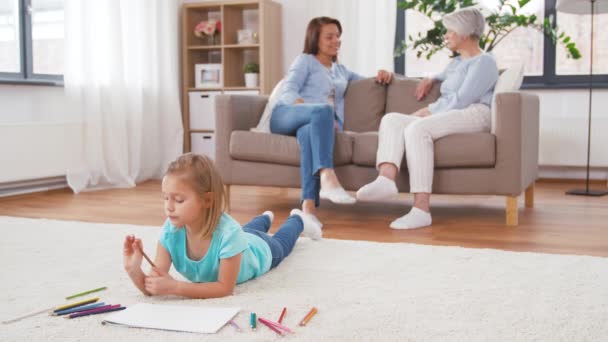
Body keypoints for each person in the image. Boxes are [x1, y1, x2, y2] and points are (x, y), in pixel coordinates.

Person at [356, 7, 499, 230]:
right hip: (452, 112)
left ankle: (421, 210)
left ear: (463, 33)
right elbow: (443, 77)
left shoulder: (485, 62)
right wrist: (430, 78)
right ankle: (386, 179)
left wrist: (429, 111)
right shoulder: (457, 63)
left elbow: (462, 99)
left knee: (416, 129)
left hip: (475, 113)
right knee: (392, 119)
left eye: (450, 31)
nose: (446, 35)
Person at [123, 153, 322, 299]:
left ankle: (298, 220)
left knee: (281, 242)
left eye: (179, 200)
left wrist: (176, 287)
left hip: (261, 251)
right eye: (165, 198)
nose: (169, 207)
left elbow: (224, 288)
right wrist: (134, 270)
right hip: (242, 238)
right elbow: (153, 286)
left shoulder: (229, 233)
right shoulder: (170, 230)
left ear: (207, 200)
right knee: (249, 230)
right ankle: (264, 218)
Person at [270, 16, 393, 226]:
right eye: (329, 36)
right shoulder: (305, 61)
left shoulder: (341, 71)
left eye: (338, 36)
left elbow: (369, 81)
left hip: (312, 125)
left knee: (311, 134)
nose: (336, 40)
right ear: (315, 39)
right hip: (287, 115)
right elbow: (288, 90)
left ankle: (307, 210)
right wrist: (307, 107)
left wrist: (384, 74)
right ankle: (327, 175)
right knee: (322, 111)